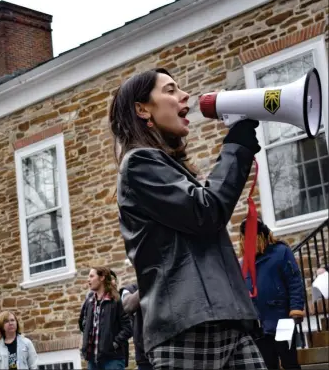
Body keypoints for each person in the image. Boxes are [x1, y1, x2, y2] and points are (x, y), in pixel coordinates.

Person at [109, 67, 266, 369]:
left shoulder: (167, 167)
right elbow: (206, 211)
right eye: (170, 90)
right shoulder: (138, 163)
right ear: (142, 109)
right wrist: (237, 147)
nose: (184, 96)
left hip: (225, 317)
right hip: (187, 323)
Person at [239, 217, 304, 370]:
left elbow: (294, 281)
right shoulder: (244, 263)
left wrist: (296, 308)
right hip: (259, 325)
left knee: (290, 363)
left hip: (282, 320)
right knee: (267, 365)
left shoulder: (281, 252)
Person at [79, 267, 132, 370]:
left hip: (112, 360)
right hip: (92, 361)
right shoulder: (89, 302)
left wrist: (114, 344)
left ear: (102, 278)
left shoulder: (115, 301)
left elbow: (128, 327)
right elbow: (82, 323)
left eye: (91, 276)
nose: (88, 279)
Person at [120, 283, 153, 370]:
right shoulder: (130, 289)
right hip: (144, 356)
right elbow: (127, 306)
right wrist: (150, 282)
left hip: (168, 351)